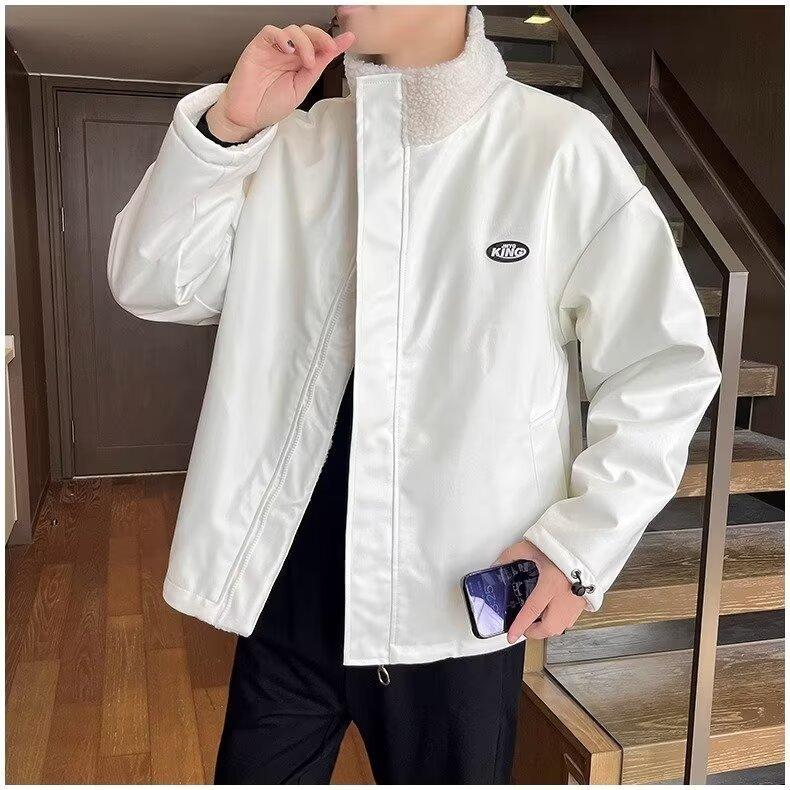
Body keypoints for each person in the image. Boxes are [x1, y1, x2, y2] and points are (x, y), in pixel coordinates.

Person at [107, 5, 721, 783]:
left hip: (459, 606)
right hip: (285, 593)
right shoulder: (297, 145)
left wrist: (577, 550)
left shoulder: (558, 147)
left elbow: (662, 365)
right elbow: (152, 283)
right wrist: (228, 128)